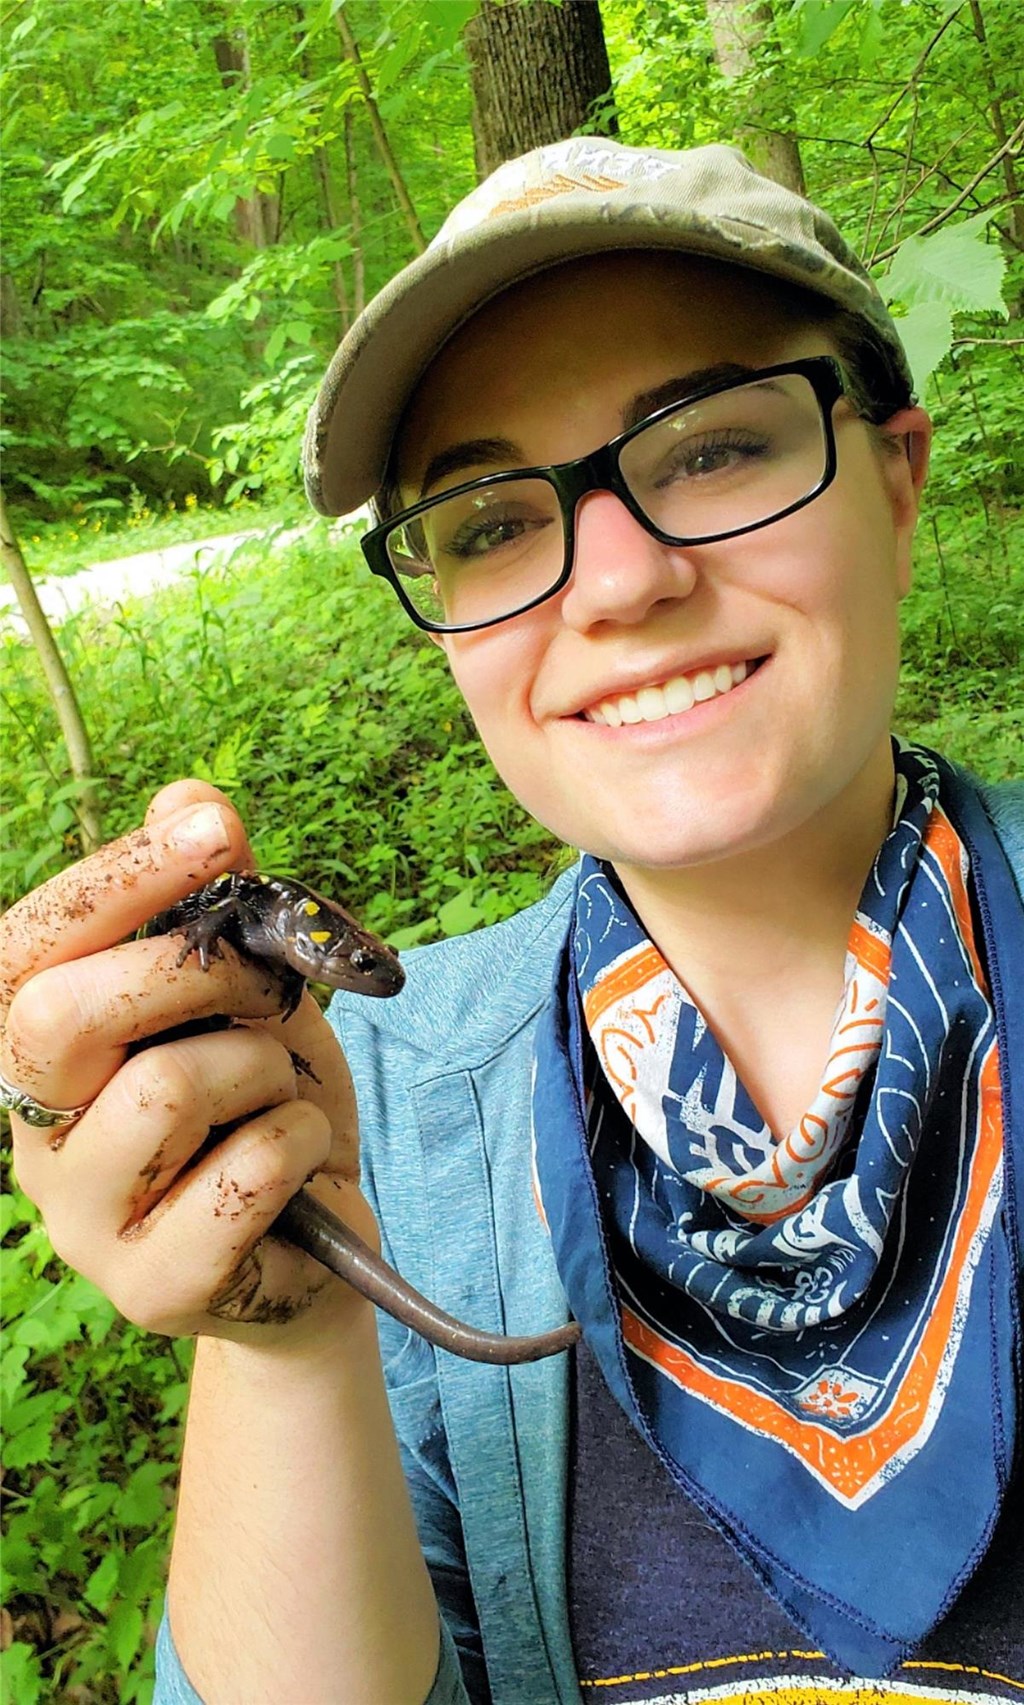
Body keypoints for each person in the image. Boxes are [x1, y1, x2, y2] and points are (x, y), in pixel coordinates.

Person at [2, 139, 1022, 1705]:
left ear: (898, 474)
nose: (616, 579)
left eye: (714, 446)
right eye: (489, 519)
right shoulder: (373, 1094)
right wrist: (287, 1341)